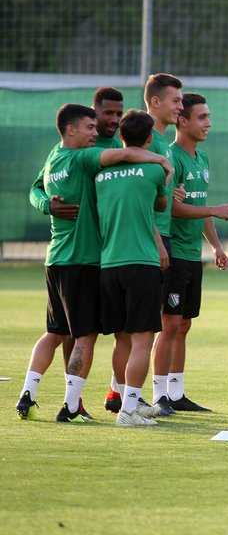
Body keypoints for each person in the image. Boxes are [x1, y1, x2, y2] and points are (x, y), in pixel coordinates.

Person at [15, 104, 170, 422]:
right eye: (89, 127)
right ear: (70, 129)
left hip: (56, 257)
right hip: (84, 259)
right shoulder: (84, 159)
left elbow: (34, 188)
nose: (95, 132)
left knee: (54, 332)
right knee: (87, 337)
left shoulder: (52, 159)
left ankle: (27, 393)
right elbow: (124, 157)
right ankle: (73, 406)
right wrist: (158, 158)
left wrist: (46, 203)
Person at [154, 92, 228, 413]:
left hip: (192, 254)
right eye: (202, 118)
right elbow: (172, 208)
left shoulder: (202, 159)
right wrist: (215, 210)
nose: (208, 123)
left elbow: (199, 207)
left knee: (184, 324)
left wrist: (216, 246)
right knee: (169, 324)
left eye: (208, 116)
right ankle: (159, 394)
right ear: (182, 121)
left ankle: (176, 393)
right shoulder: (172, 157)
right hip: (173, 251)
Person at [95, 109, 169, 426]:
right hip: (141, 263)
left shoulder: (99, 175)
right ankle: (127, 411)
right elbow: (162, 204)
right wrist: (162, 166)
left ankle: (130, 402)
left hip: (109, 263)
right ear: (149, 138)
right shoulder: (153, 171)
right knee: (143, 340)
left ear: (120, 137)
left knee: (121, 339)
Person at [145, 73, 184, 416]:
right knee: (145, 324)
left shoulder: (162, 145)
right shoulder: (149, 144)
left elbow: (157, 193)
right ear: (155, 102)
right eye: (175, 101)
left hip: (162, 237)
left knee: (156, 322)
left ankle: (137, 395)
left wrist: (172, 192)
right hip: (148, 240)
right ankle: (137, 396)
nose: (180, 107)